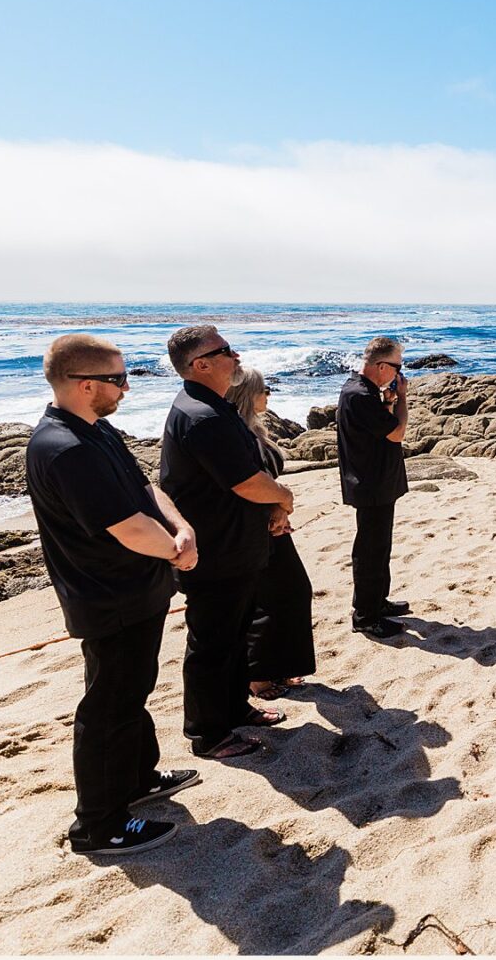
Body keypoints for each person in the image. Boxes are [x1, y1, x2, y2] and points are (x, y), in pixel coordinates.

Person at [26, 334, 200, 855]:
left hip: (135, 589)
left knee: (132, 693)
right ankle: (98, 825)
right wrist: (175, 551)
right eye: (118, 379)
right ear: (86, 386)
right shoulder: (66, 448)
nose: (126, 387)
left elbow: (145, 489)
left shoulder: (95, 430)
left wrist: (179, 525)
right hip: (107, 597)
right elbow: (124, 527)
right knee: (108, 706)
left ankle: (137, 780)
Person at [160, 325, 294, 760]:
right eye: (225, 351)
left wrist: (271, 509)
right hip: (214, 551)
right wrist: (282, 497)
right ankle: (209, 733)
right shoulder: (201, 415)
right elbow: (244, 482)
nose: (235, 357)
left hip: (236, 546)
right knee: (212, 642)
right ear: (201, 365)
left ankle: (235, 708)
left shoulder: (212, 407)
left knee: (235, 635)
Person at [226, 368, 315, 699]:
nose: (269, 395)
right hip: (256, 527)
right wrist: (277, 506)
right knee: (271, 597)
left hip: (273, 523)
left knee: (292, 591)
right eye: (265, 389)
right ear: (248, 393)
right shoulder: (237, 434)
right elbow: (244, 485)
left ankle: (280, 666)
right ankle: (259, 675)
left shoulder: (256, 430)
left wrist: (279, 507)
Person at [337, 337, 413, 636]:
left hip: (377, 479)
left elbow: (378, 426)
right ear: (381, 366)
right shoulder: (360, 394)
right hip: (370, 483)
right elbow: (396, 433)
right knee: (370, 549)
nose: (400, 373)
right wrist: (403, 399)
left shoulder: (365, 391)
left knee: (380, 546)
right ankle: (366, 615)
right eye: (397, 366)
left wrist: (390, 401)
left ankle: (378, 601)